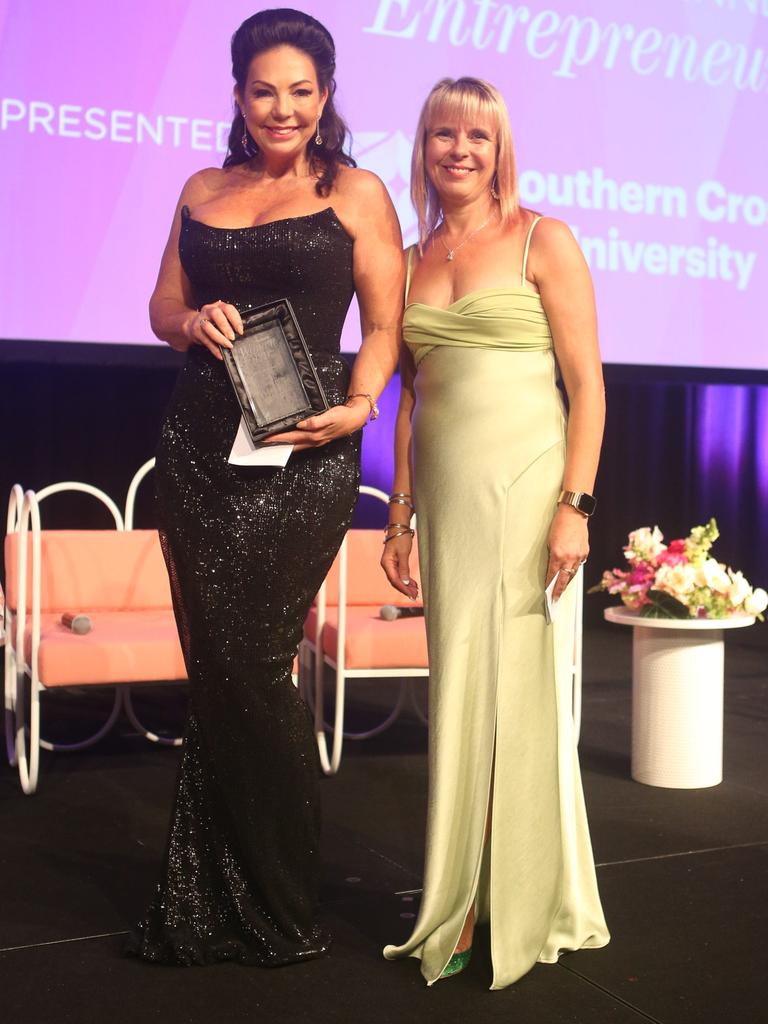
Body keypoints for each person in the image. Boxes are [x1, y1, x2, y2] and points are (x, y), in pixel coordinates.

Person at [127, 9, 403, 967]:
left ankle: (281, 902)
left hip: (305, 449)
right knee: (218, 672)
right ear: (238, 94)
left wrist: (361, 407)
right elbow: (159, 305)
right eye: (262, 89)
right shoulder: (201, 187)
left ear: (325, 95)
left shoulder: (359, 193)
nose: (281, 108)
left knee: (253, 666)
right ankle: (205, 899)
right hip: (202, 448)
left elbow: (382, 328)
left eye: (301, 89)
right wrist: (191, 317)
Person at [381, 77, 609, 989]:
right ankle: (463, 887)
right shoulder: (403, 259)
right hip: (445, 502)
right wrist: (397, 515)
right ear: (424, 146)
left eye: (477, 135)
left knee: (519, 696)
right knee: (462, 693)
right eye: (443, 133)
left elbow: (587, 385)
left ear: (501, 145)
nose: (460, 150)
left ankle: (508, 898)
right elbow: (409, 400)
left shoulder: (543, 240)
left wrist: (575, 506)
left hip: (528, 495)